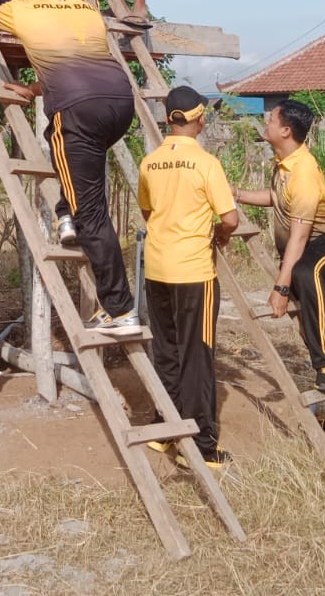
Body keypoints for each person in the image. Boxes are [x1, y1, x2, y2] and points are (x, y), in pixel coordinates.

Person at [0, 0, 138, 333]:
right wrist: (34, 89)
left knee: (92, 213)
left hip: (78, 111)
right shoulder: (85, 8)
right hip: (120, 105)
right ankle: (66, 214)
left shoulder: (22, 9)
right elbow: (80, 68)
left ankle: (120, 309)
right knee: (66, 152)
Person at [136, 86, 240, 470]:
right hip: (194, 272)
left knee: (166, 351)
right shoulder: (206, 164)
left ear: (168, 120)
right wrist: (221, 234)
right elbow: (230, 218)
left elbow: (148, 212)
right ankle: (201, 444)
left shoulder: (150, 163)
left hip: (157, 268)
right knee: (198, 355)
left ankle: (165, 429)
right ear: (200, 120)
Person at [233, 99, 325, 395]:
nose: (265, 122)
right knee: (307, 320)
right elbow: (276, 197)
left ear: (286, 131)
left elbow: (300, 235)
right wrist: (238, 194)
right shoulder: (284, 163)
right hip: (300, 251)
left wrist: (281, 287)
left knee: (306, 273)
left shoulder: (304, 171)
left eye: (271, 119)